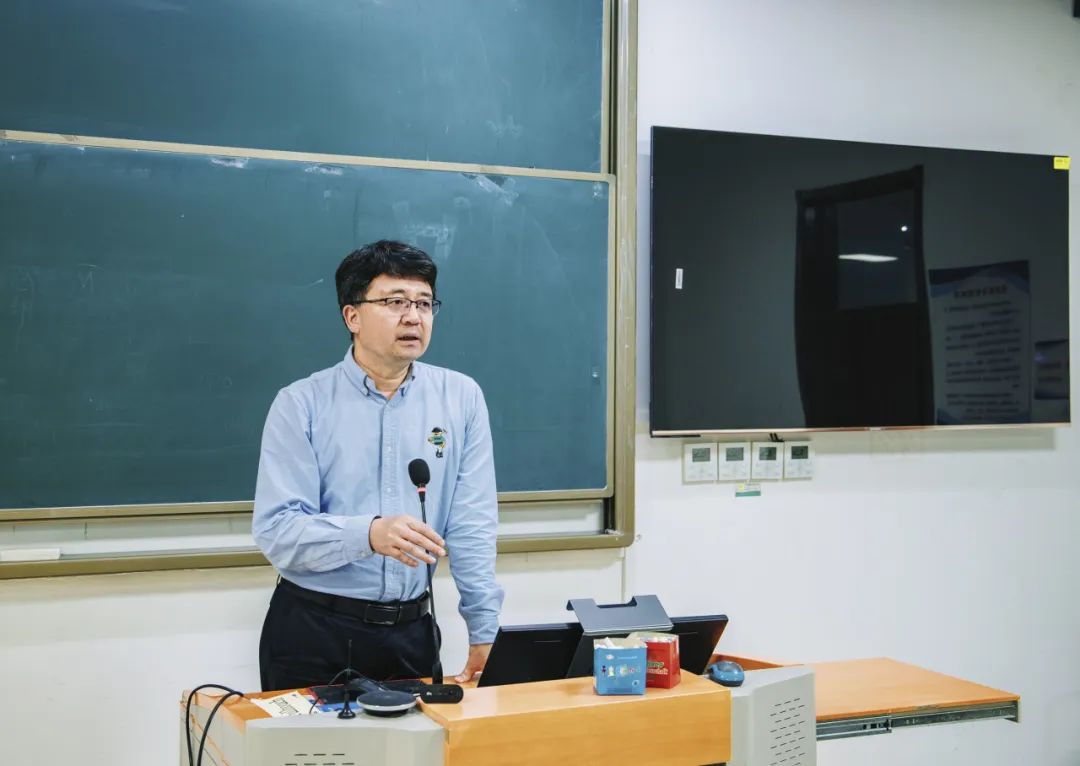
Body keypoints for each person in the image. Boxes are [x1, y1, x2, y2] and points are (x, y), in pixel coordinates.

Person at [253, 239, 503, 691]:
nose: (413, 316)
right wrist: (368, 534)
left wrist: (484, 628)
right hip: (314, 629)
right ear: (352, 316)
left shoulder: (461, 397)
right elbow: (278, 530)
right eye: (395, 302)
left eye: (424, 303)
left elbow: (472, 523)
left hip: (411, 633)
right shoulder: (301, 404)